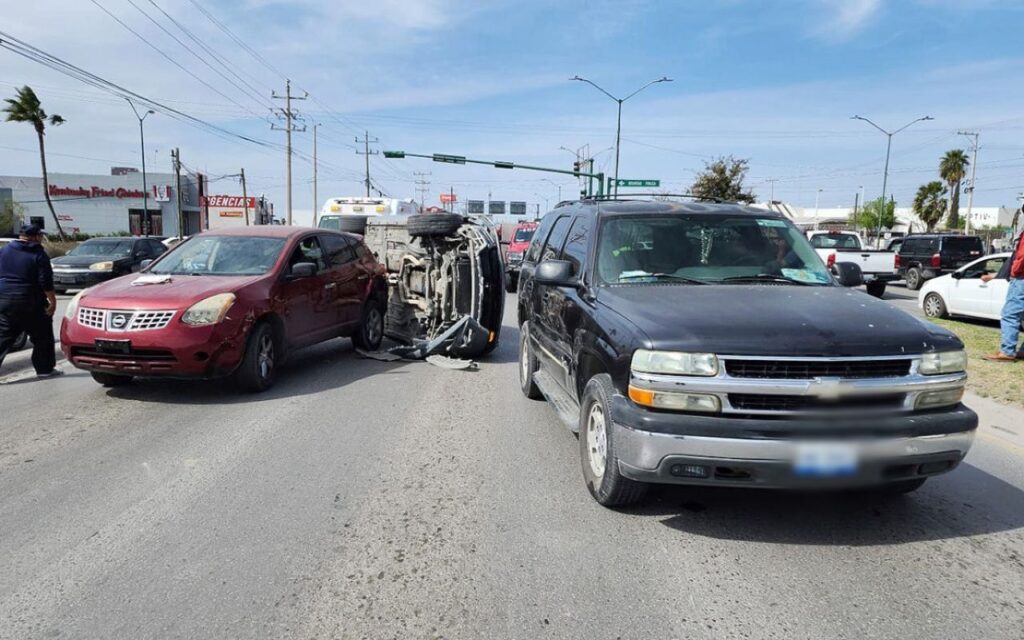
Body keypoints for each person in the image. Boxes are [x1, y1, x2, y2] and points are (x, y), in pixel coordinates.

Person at [0, 224, 63, 377]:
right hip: (30, 300)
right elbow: (45, 281)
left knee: (3, 336)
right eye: (40, 236)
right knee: (43, 336)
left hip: (4, 299)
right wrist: (53, 302)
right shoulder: (38, 253)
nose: (41, 239)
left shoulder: (4, 250)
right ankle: (45, 369)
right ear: (34, 237)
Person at [982, 231, 1024, 362]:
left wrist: (1015, 270)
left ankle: (1007, 351)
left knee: (1010, 314)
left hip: (1021, 278)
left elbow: (1021, 256)